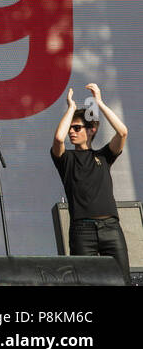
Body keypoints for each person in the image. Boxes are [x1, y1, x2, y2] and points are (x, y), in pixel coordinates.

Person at [53, 84, 130, 282]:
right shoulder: (66, 159)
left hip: (110, 228)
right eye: (71, 127)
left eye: (77, 128)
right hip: (82, 231)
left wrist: (100, 103)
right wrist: (71, 109)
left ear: (91, 130)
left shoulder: (103, 156)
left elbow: (122, 132)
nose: (72, 132)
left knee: (121, 280)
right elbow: (58, 137)